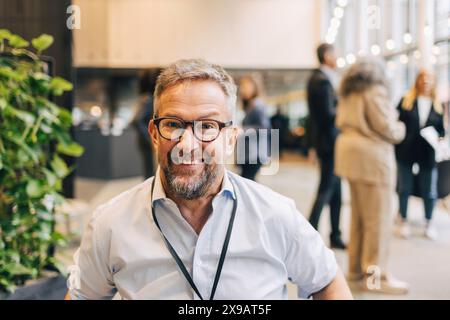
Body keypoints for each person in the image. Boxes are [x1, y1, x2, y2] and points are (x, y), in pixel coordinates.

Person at [67, 59, 352, 300]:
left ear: (230, 139)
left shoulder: (276, 215)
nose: (187, 144)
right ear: (154, 135)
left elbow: (327, 281)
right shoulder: (111, 223)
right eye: (173, 125)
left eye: (207, 126)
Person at [335, 58, 409, 294]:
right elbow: (386, 126)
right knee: (377, 221)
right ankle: (376, 278)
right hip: (371, 158)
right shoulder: (374, 90)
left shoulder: (348, 91)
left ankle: (356, 272)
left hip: (349, 154)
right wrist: (401, 128)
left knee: (358, 219)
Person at [395, 70, 445, 240]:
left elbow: (441, 131)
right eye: (422, 78)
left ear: (434, 83)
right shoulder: (406, 101)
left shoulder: (439, 105)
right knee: (404, 188)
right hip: (406, 151)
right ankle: (403, 220)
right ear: (417, 81)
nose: (425, 82)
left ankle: (429, 222)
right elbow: (396, 124)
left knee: (429, 189)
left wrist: (438, 139)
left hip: (428, 154)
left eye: (429, 79)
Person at [306, 43, 346, 249]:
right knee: (326, 189)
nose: (337, 57)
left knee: (336, 192)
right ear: (327, 55)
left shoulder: (324, 78)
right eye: (335, 53)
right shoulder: (320, 80)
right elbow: (327, 115)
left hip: (332, 143)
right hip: (328, 144)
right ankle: (309, 233)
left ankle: (335, 235)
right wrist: (344, 108)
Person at [237, 75, 271, 181]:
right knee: (247, 181)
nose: (243, 90)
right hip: (249, 153)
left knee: (247, 181)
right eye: (242, 87)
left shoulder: (258, 105)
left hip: (254, 153)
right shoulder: (249, 105)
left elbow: (264, 127)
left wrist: (243, 130)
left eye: (246, 86)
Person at [133, 68, 162, 179]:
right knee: (150, 171)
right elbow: (137, 121)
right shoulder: (148, 99)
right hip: (147, 141)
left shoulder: (147, 98)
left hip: (145, 140)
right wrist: (151, 138)